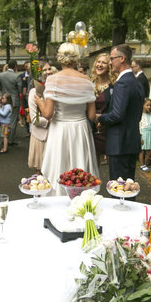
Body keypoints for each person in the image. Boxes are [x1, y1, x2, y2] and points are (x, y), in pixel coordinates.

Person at [36, 42, 99, 195]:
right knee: (80, 168)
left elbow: (48, 114)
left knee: (59, 166)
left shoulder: (53, 80)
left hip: (60, 129)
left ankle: (58, 198)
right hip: (80, 129)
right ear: (76, 59)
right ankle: (82, 200)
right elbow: (91, 115)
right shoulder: (86, 80)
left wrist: (39, 102)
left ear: (60, 59)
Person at [97, 44, 145, 182]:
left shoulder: (122, 83)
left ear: (122, 58)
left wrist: (100, 118)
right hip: (131, 143)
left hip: (119, 144)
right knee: (128, 187)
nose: (110, 62)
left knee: (119, 190)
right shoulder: (136, 82)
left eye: (112, 58)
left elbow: (117, 114)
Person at [90, 53, 115, 165]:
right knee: (93, 163)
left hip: (108, 129)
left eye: (104, 62)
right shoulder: (90, 85)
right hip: (92, 128)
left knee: (112, 162)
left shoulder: (114, 86)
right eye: (98, 62)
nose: (100, 65)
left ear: (109, 66)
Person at [28, 73, 51, 172]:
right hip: (40, 136)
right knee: (40, 172)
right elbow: (34, 119)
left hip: (55, 135)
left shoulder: (56, 92)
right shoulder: (34, 93)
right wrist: (51, 121)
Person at [0, 60, 23, 146]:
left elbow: (0, 87)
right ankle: (10, 140)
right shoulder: (17, 76)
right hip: (14, 101)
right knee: (12, 121)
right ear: (15, 66)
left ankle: (4, 138)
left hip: (4, 100)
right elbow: (20, 90)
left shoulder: (1, 75)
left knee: (4, 120)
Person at [139, 99, 151, 172]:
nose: (149, 107)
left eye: (150, 105)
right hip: (143, 133)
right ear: (143, 106)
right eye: (147, 105)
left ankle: (144, 164)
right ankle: (142, 165)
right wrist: (140, 137)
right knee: (142, 150)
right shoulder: (140, 115)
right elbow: (139, 126)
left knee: (150, 151)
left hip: (150, 133)